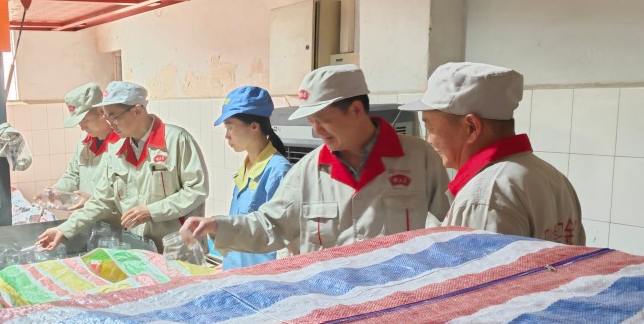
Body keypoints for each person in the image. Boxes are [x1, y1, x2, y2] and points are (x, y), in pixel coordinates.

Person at [181, 64, 449, 255]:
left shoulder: (419, 159)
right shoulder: (308, 171)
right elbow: (271, 225)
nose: (317, 131)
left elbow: (447, 228)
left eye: (323, 120)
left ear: (356, 109)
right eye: (311, 122)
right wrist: (217, 225)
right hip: (329, 301)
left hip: (398, 298)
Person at [400, 61, 585, 244]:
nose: (429, 140)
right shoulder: (553, 177)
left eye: (430, 128)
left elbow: (476, 263)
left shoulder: (484, 195)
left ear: (472, 127)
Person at [37, 80, 208, 249]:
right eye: (106, 116)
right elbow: (102, 201)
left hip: (180, 247)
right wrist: (64, 229)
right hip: (140, 247)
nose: (110, 123)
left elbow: (196, 190)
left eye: (113, 116)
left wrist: (152, 211)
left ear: (137, 110)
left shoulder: (176, 140)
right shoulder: (117, 151)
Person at [213, 86, 292, 269]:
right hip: (237, 271)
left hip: (262, 276)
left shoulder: (278, 171)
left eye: (230, 127)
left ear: (254, 126)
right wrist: (228, 263)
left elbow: (283, 238)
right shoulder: (247, 168)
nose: (227, 136)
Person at [44, 81, 120, 210]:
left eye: (85, 120)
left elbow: (126, 193)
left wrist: (93, 201)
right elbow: (73, 175)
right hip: (85, 216)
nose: (82, 127)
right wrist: (55, 190)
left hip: (111, 217)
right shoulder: (83, 143)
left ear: (102, 112)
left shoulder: (122, 145)